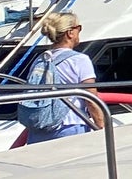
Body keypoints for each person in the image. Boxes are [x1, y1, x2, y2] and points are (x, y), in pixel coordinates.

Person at [25, 8, 104, 142]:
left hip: (40, 127)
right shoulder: (80, 60)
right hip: (70, 125)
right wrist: (102, 127)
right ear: (70, 33)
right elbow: (91, 98)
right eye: (79, 28)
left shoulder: (40, 59)